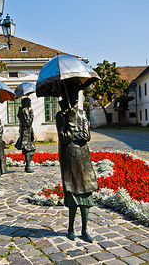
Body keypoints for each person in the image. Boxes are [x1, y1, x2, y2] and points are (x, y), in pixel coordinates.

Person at [55, 87, 98, 243]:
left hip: (83, 157)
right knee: (73, 193)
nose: (74, 98)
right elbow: (64, 138)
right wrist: (71, 123)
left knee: (86, 194)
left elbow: (86, 136)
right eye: (71, 95)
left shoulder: (82, 113)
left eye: (75, 95)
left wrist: (76, 133)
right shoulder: (61, 116)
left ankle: (85, 230)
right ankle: (71, 229)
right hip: (69, 158)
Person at [15, 97, 36, 173]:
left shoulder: (23, 110)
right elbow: (28, 123)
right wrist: (31, 114)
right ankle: (28, 166)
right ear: (26, 103)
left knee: (31, 149)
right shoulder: (25, 111)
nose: (31, 103)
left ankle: (27, 165)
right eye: (29, 101)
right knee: (28, 150)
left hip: (28, 132)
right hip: (26, 133)